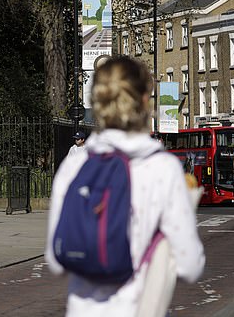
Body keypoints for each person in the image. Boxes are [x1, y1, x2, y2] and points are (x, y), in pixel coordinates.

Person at [45, 56, 205, 317]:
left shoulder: (76, 165)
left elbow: (56, 259)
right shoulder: (162, 168)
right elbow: (190, 265)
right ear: (144, 100)